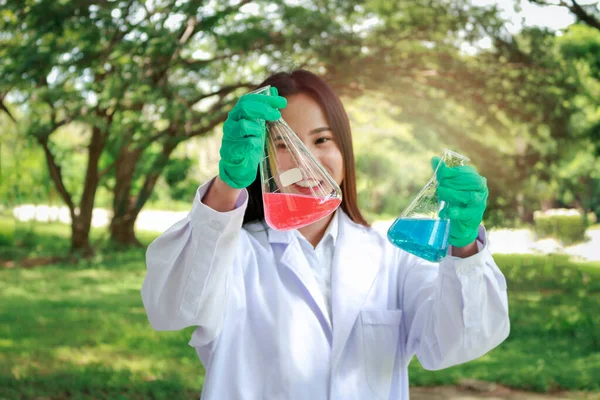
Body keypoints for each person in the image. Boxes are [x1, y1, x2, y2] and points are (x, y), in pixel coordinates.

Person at [142, 69, 510, 400]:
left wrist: (462, 245)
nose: (307, 161)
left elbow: (455, 343)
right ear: (259, 156)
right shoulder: (232, 249)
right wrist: (226, 187)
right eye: (283, 144)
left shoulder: (392, 255)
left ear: (345, 150)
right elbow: (170, 309)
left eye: (321, 141)